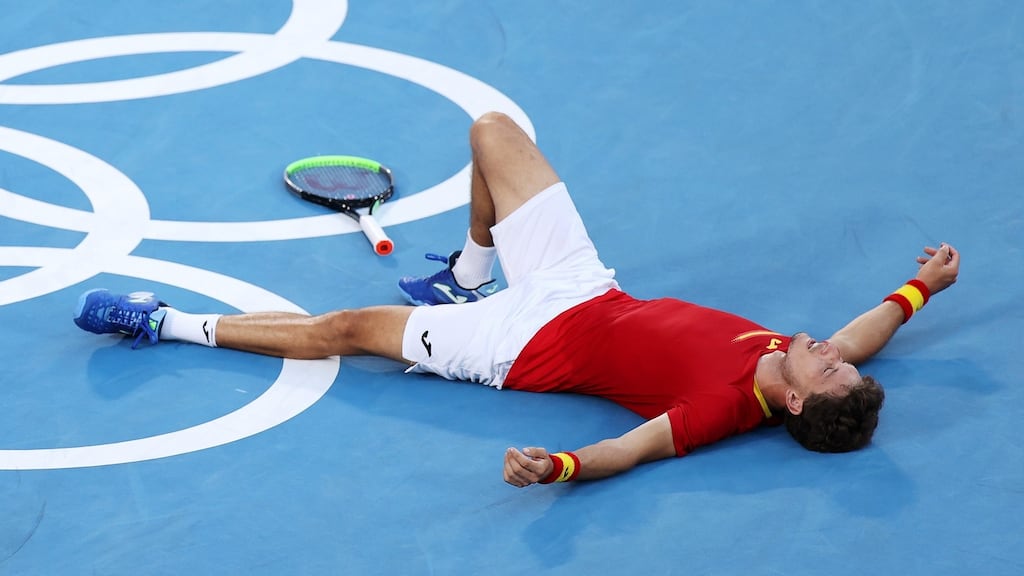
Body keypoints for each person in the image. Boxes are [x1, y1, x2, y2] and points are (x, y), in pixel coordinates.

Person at [72, 111, 961, 488]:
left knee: (342, 330)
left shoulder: (722, 409)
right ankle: (466, 270)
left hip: (520, 346)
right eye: (839, 358)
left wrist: (561, 469)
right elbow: (865, 330)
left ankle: (162, 323)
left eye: (829, 366)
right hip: (585, 285)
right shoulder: (806, 362)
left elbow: (627, 448)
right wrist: (922, 285)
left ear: (796, 400)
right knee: (494, 131)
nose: (833, 348)